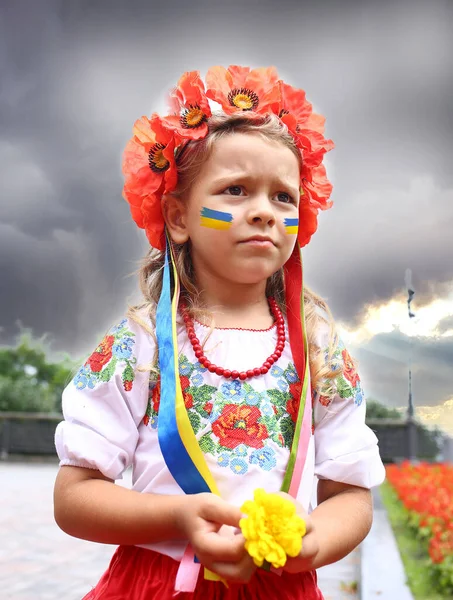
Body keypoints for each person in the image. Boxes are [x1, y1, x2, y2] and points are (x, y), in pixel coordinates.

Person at [54, 65, 386, 600]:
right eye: (236, 190)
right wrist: (178, 516)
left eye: (284, 197)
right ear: (178, 216)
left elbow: (350, 495)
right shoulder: (136, 344)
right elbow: (74, 499)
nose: (264, 212)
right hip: (161, 585)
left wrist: (312, 542)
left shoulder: (319, 350)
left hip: (281, 586)